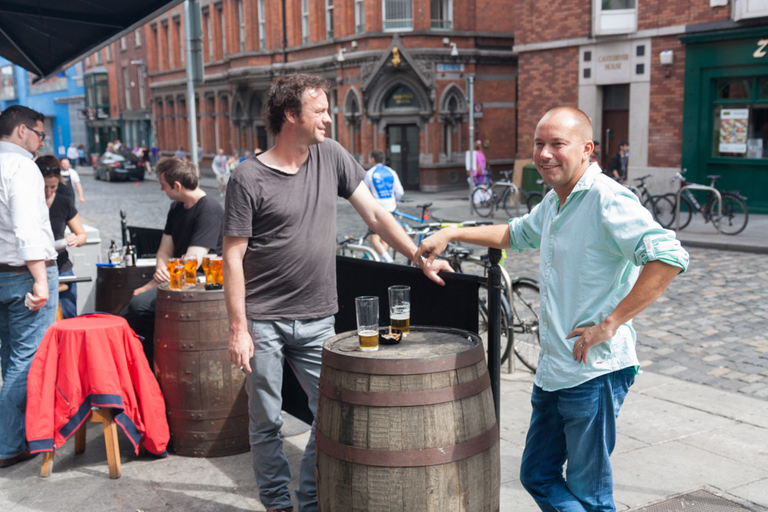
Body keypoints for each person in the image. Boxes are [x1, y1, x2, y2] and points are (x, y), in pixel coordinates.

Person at [416, 107, 689, 512]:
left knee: (590, 494)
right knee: (537, 473)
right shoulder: (555, 201)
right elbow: (514, 233)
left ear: (586, 150)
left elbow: (668, 255)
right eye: (539, 144)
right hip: (554, 370)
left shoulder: (606, 199)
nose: (544, 154)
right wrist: (452, 232)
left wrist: (611, 323)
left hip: (593, 373)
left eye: (557, 144)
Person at [223, 74, 451, 512]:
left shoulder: (331, 156)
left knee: (332, 411)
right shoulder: (247, 177)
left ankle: (308, 498)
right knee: (265, 421)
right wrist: (238, 329)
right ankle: (277, 503)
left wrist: (417, 255)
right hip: (263, 319)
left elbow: (377, 215)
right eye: (320, 111)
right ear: (291, 115)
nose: (329, 118)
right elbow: (232, 258)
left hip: (317, 317)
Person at [120, 157, 224, 367]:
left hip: (203, 281)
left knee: (138, 306)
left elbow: (190, 263)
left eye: (163, 185)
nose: (161, 189)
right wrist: (160, 269)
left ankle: (146, 363)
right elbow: (164, 251)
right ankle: (140, 363)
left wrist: (150, 285)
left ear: (177, 186)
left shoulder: (209, 209)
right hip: (177, 279)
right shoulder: (177, 208)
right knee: (127, 314)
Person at [0, 105, 58, 468]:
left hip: (3, 272)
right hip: (24, 272)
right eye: (40, 134)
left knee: (10, 358)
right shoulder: (21, 166)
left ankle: (13, 437)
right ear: (22, 131)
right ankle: (10, 444)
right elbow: (25, 227)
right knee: (25, 362)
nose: (41, 142)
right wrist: (40, 279)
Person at [36, 156, 87, 319]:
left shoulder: (63, 202)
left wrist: (76, 239)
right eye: (44, 187)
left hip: (62, 267)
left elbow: (82, 235)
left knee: (69, 316)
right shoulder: (28, 203)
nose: (48, 192)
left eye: (53, 186)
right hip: (36, 268)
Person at [363, 149, 404, 263]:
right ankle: (383, 260)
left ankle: (387, 259)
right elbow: (400, 191)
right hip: (390, 208)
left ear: (372, 159)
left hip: (376, 209)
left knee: (373, 237)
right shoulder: (391, 172)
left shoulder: (370, 173)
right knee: (385, 235)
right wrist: (395, 201)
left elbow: (364, 193)